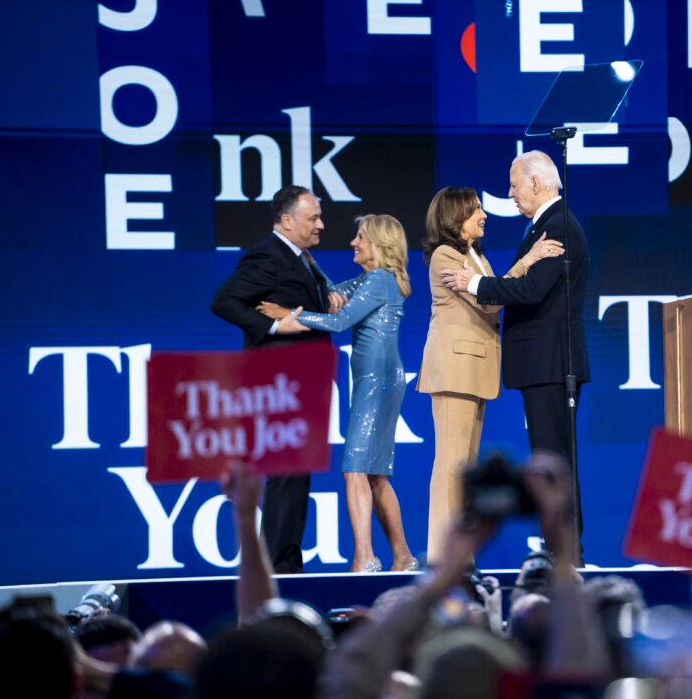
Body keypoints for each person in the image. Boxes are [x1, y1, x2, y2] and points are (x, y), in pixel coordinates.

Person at [441, 151, 590, 561]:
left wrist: (476, 284)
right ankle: (561, 548)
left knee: (554, 461)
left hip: (553, 364)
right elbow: (526, 280)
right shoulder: (543, 226)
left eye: (513, 185)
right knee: (550, 459)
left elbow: (530, 291)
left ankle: (566, 554)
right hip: (542, 364)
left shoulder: (557, 224)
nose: (510, 194)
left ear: (536, 184)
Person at [262, 214, 416, 573]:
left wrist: (288, 316)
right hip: (378, 380)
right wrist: (311, 265)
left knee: (354, 469)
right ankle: (403, 556)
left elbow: (337, 321)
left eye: (359, 237)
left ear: (377, 243)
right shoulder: (372, 280)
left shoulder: (379, 279)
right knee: (375, 474)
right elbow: (332, 297)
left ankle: (364, 557)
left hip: (377, 382)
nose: (353, 243)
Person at [417, 186, 563, 563]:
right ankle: (442, 554)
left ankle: (459, 554)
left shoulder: (474, 256)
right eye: (476, 210)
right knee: (450, 463)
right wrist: (530, 260)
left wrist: (528, 259)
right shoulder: (445, 255)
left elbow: (495, 292)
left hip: (475, 368)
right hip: (454, 368)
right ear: (455, 217)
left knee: (464, 467)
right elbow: (492, 299)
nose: (484, 215)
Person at [211, 185, 344, 574]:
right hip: (279, 381)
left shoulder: (302, 258)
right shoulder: (267, 256)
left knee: (296, 475)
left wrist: (326, 300)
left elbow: (309, 307)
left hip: (303, 377)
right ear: (287, 221)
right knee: (286, 474)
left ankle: (287, 563)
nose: (321, 224)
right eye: (313, 218)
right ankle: (277, 572)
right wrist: (273, 326)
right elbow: (224, 302)